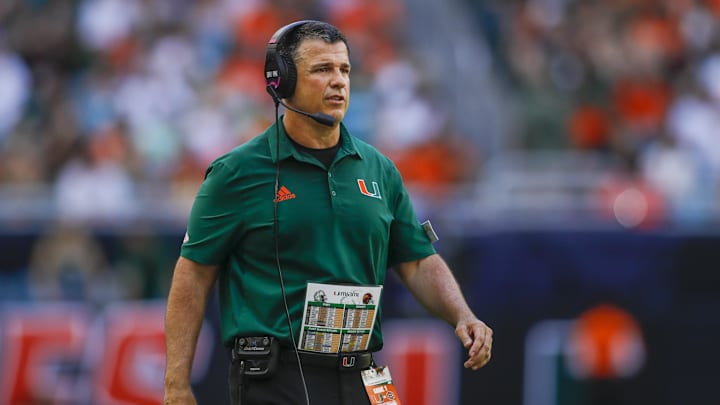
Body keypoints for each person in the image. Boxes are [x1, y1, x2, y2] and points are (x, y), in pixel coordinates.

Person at [163, 20, 492, 405]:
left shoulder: (379, 169)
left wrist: (462, 316)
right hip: (275, 377)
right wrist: (176, 384)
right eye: (322, 69)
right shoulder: (237, 173)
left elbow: (417, 261)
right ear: (281, 80)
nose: (338, 81)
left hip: (367, 372)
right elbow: (193, 274)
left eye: (345, 70)